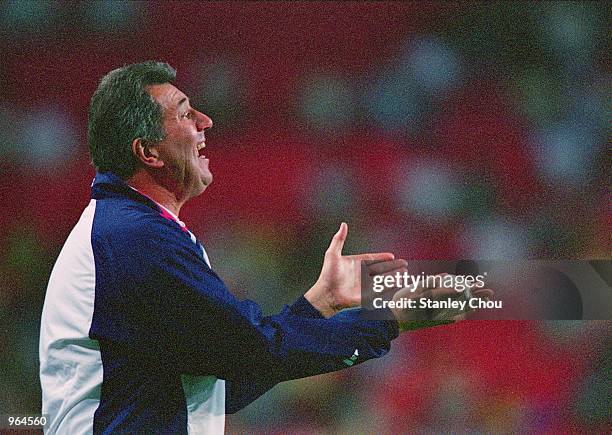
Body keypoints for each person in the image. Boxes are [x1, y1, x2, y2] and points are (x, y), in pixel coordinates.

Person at [39, 61, 492, 434]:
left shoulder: (131, 230)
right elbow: (253, 352)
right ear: (148, 153)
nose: (205, 122)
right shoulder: (133, 238)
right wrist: (385, 319)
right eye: (183, 113)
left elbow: (222, 383)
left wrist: (323, 303)